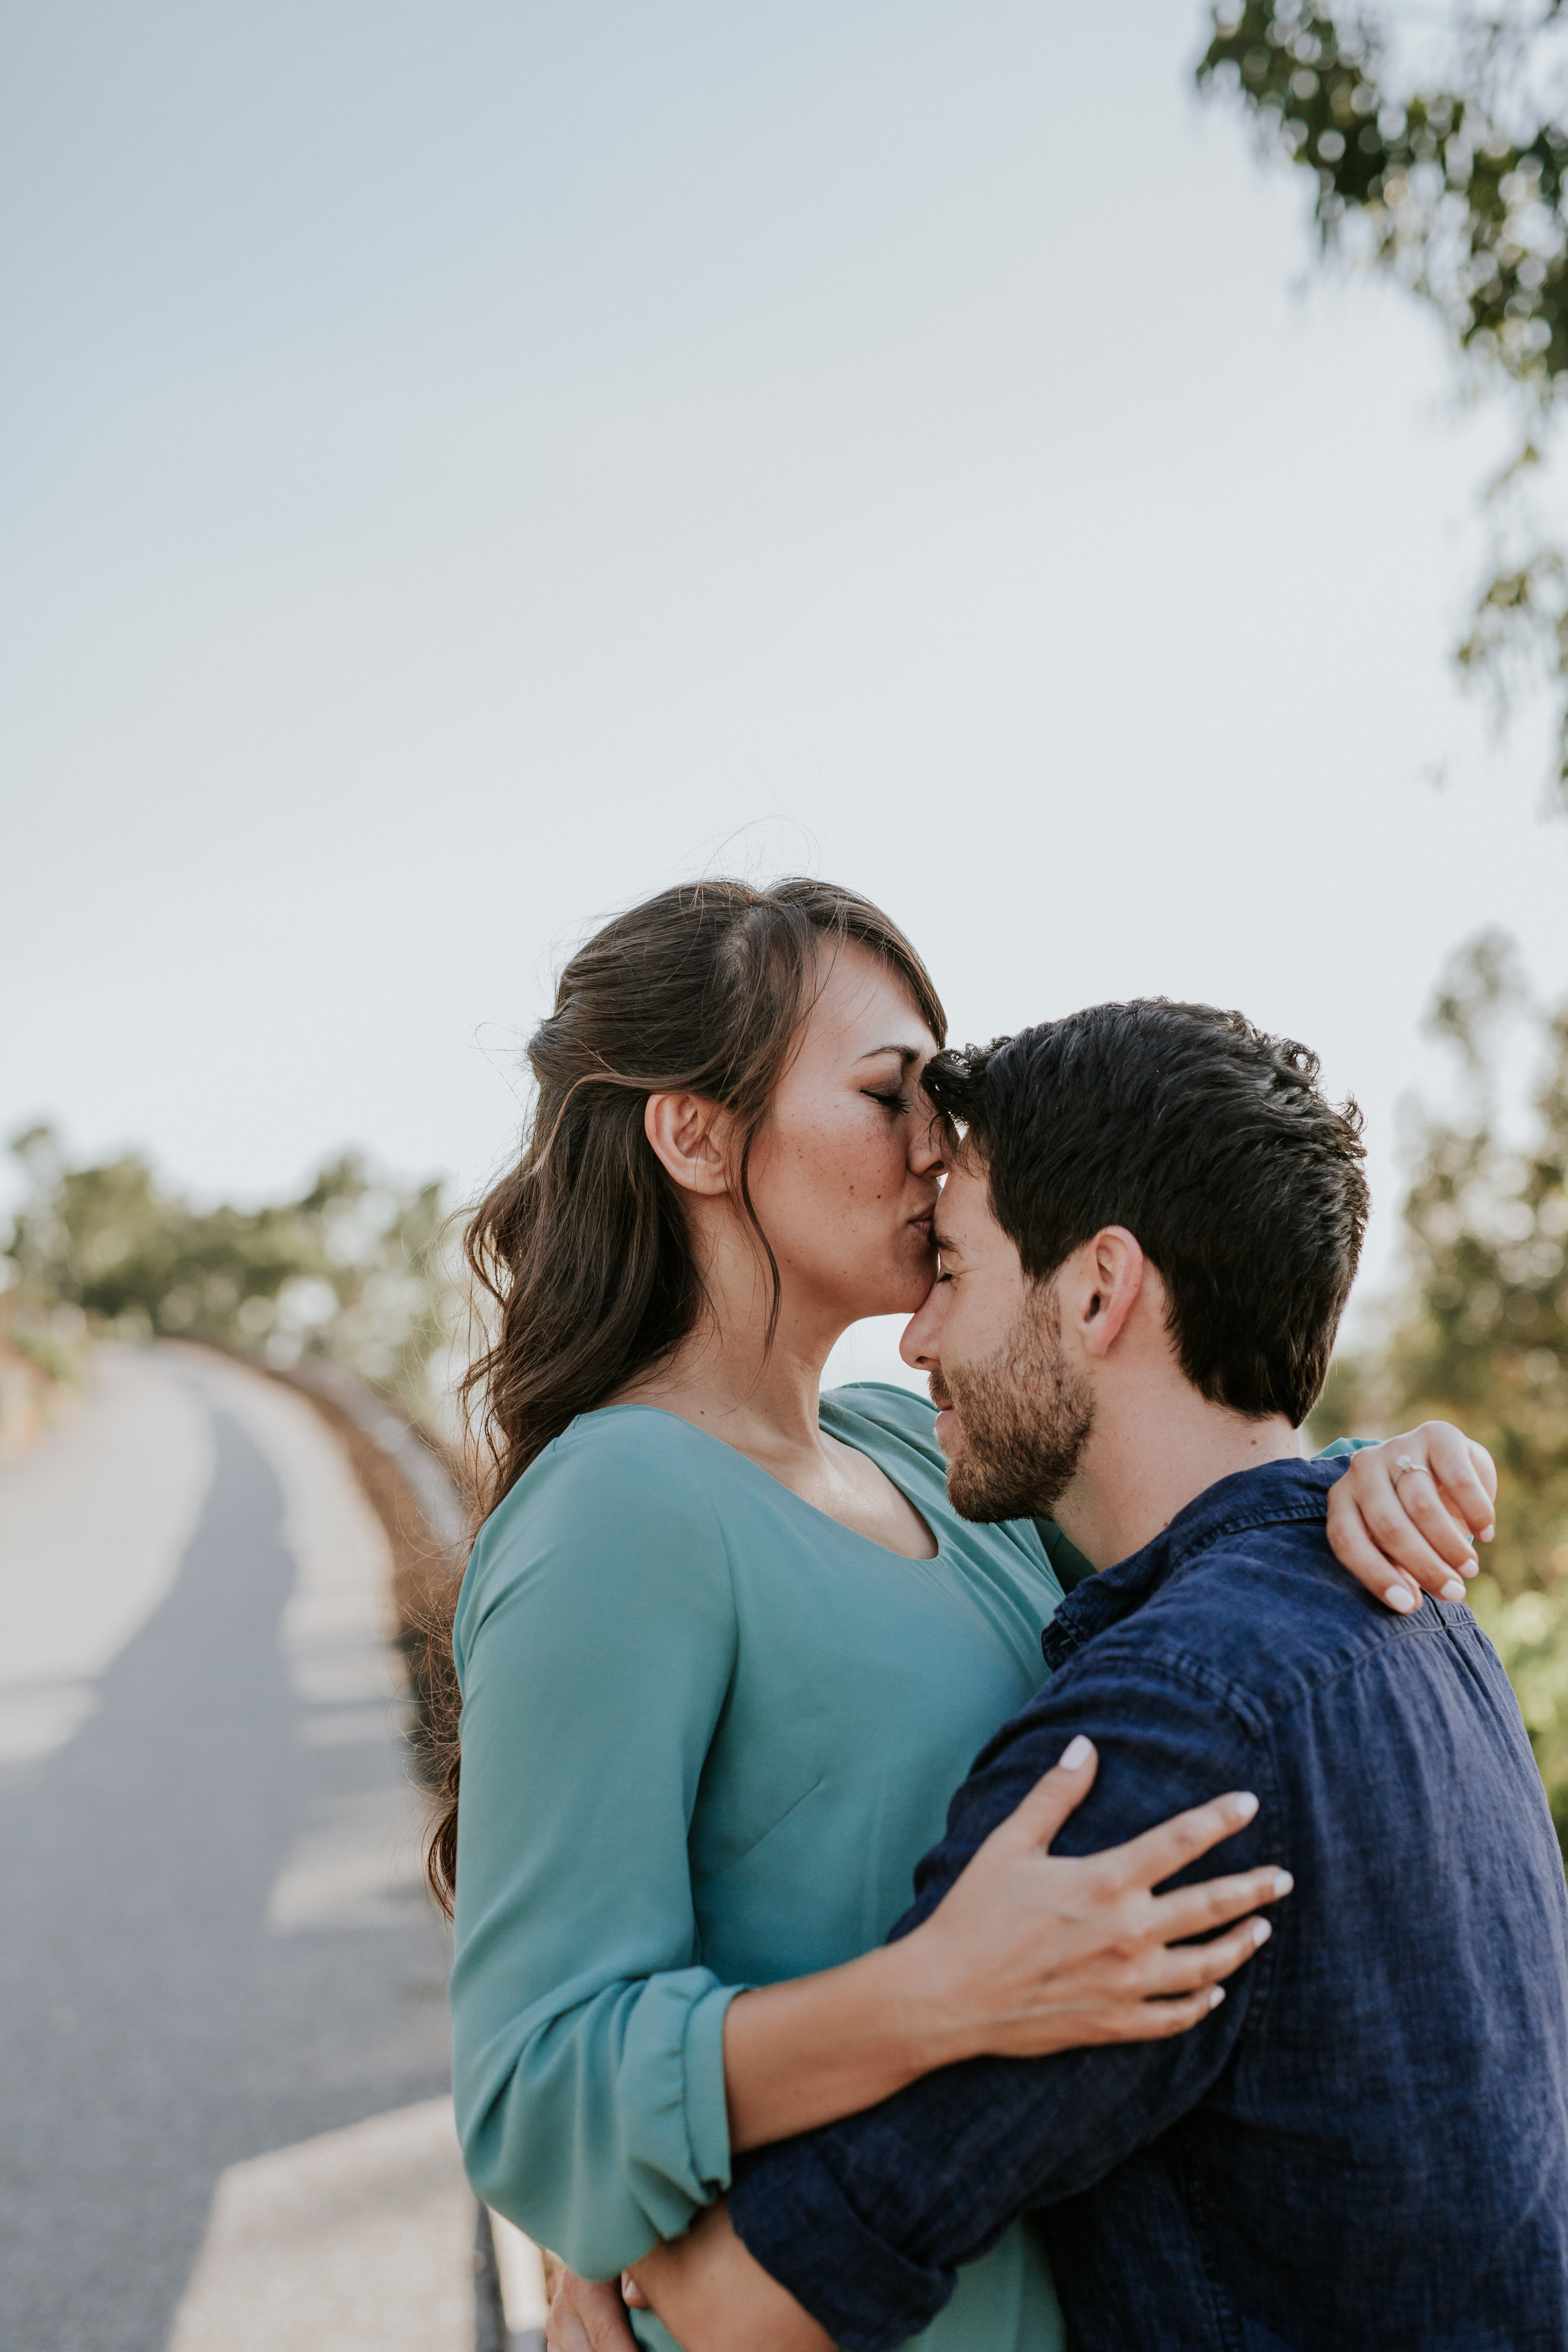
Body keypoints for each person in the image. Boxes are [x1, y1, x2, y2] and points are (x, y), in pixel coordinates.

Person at [439, 879, 1491, 2352]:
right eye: (886, 1094)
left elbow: (1192, 1535)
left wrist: (1375, 1469)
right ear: (692, 1133)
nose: (934, 1141)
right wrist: (927, 1998)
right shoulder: (619, 1509)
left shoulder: (917, 1452)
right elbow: (535, 2091)